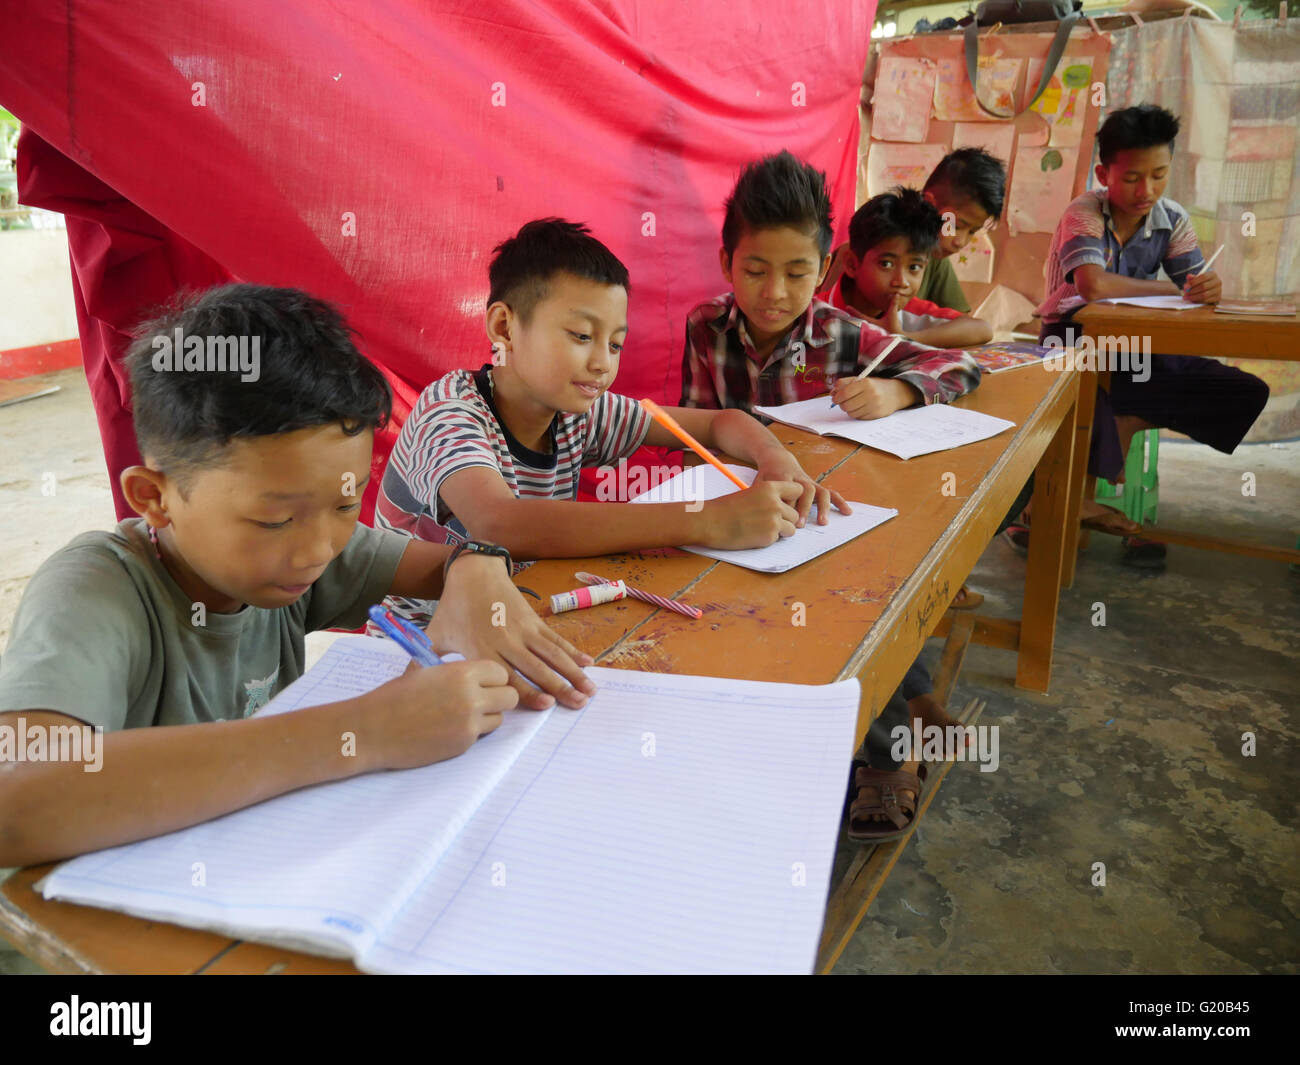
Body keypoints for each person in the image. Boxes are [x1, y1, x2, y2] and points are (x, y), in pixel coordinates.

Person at [0, 284, 596, 868]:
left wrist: (476, 568)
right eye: (274, 518)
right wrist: (367, 731)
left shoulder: (293, 551)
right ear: (153, 499)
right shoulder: (93, 591)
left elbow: (451, 561)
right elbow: (18, 797)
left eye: (346, 504)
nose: (318, 550)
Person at [678, 150, 983, 841]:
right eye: (755, 270)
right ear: (727, 261)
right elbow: (692, 427)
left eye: (795, 272)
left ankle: (889, 751)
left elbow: (962, 361)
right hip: (745, 513)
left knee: (855, 601)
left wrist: (896, 388)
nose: (775, 292)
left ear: (825, 269)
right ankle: (922, 698)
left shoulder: (840, 334)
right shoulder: (704, 326)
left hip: (833, 516)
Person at [375, 217, 848, 629]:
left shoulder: (579, 412)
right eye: (582, 335)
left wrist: (776, 460)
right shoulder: (450, 412)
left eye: (616, 344)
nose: (602, 363)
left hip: (525, 618)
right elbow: (502, 523)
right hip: (422, 648)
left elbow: (722, 423)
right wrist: (709, 520)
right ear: (503, 327)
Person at [1036, 103, 1268, 566]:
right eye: (1132, 179)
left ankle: (1123, 424)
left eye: (1159, 175)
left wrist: (1206, 287)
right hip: (1069, 343)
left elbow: (1196, 289)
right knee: (1096, 388)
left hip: (1134, 349)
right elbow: (1092, 285)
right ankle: (1060, 506)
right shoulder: (1082, 213)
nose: (1147, 191)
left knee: (1241, 390)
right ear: (1104, 174)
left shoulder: (1172, 218)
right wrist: (1174, 287)